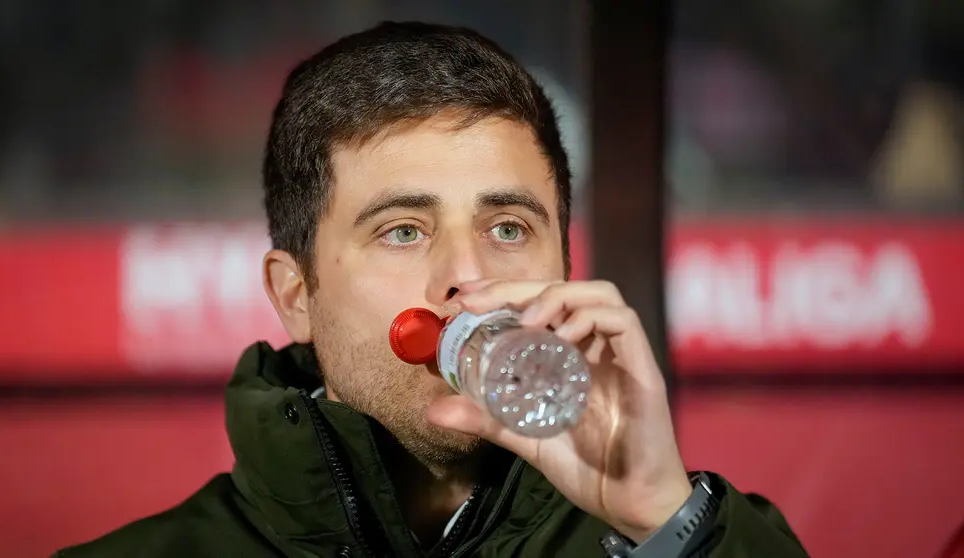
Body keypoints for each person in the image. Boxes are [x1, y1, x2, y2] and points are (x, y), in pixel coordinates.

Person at [54, 22, 808, 557]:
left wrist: (665, 522)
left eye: (509, 228)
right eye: (403, 230)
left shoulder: (698, 536)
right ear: (295, 297)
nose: (467, 276)